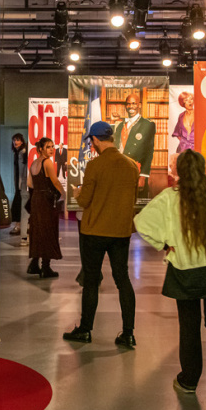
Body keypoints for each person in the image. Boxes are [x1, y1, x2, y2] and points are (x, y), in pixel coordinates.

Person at [134, 150, 206, 404]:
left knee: (189, 327)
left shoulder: (168, 198)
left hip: (184, 273)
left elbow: (141, 222)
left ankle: (188, 380)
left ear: (179, 171)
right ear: (203, 168)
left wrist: (164, 244)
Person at [64, 121, 140, 348]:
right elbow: (132, 200)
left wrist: (77, 192)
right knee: (123, 280)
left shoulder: (96, 166)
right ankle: (128, 333)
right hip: (120, 232)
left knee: (91, 281)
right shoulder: (131, 166)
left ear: (95, 140)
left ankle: (85, 330)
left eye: (92, 141)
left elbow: (86, 200)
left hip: (94, 231)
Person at [26, 137, 65, 278]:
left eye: (52, 146)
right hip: (46, 201)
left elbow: (30, 184)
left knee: (37, 231)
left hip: (36, 199)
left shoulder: (34, 163)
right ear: (41, 149)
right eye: (48, 147)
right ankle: (45, 268)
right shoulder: (47, 162)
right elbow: (55, 181)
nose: (52, 149)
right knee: (48, 230)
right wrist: (64, 194)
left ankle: (34, 264)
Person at [113, 93, 156, 198]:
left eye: (134, 103)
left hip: (136, 172)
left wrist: (143, 176)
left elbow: (149, 152)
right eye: (128, 104)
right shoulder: (120, 125)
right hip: (119, 172)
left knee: (136, 207)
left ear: (139, 105)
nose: (131, 107)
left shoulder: (148, 124)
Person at [9, 134, 28, 237]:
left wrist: (22, 184)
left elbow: (23, 170)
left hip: (22, 184)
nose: (15, 142)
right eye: (14, 140)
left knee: (19, 204)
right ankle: (19, 225)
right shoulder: (16, 153)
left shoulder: (23, 152)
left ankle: (19, 225)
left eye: (17, 140)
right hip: (19, 183)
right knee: (19, 204)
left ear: (22, 141)